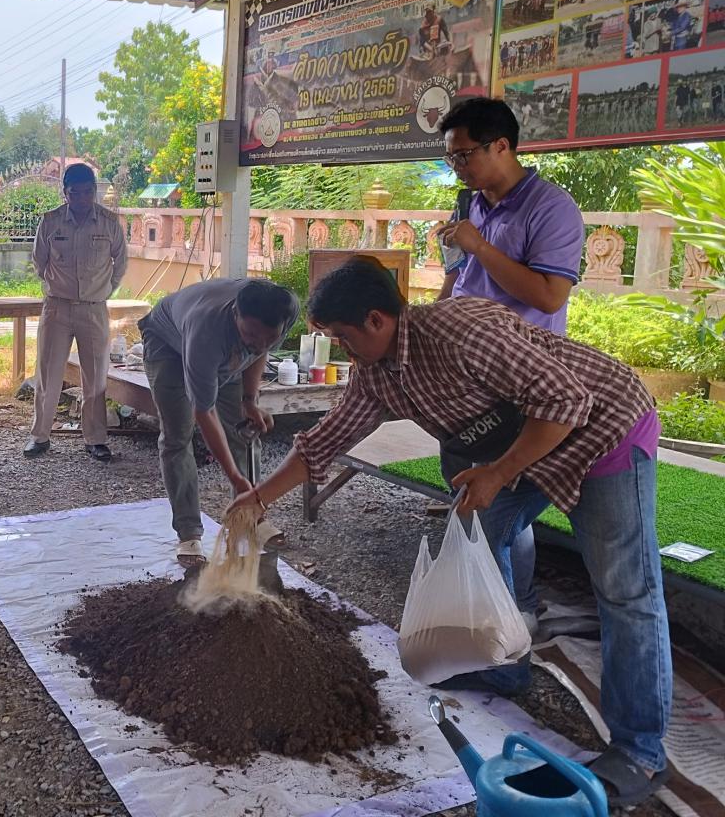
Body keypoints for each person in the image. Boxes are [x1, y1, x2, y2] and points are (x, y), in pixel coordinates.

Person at [230, 259, 672, 807]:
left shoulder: (465, 334)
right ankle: (505, 670)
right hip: (520, 449)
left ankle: (640, 753)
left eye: (343, 338)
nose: (343, 352)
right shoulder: (378, 373)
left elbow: (567, 402)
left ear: (376, 320)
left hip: (601, 431)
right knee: (481, 540)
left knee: (625, 590)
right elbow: (325, 440)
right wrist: (256, 500)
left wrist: (497, 473)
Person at [436, 97, 585, 630]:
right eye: (452, 158)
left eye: (465, 155)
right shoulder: (470, 204)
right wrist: (437, 316)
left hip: (525, 381)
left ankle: (509, 619)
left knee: (500, 500)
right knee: (475, 484)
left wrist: (479, 246)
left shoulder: (552, 208)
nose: (459, 167)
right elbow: (461, 276)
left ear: (502, 146)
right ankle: (505, 603)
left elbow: (548, 297)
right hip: (468, 374)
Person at [138, 278, 298, 564]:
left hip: (224, 346)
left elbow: (259, 350)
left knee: (242, 428)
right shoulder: (206, 333)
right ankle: (189, 533)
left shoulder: (282, 310)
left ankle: (250, 517)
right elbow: (204, 411)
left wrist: (249, 400)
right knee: (178, 435)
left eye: (269, 337)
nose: (259, 343)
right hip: (167, 345)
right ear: (235, 312)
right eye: (250, 334)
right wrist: (235, 477)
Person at [24, 163, 128, 461]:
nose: (82, 198)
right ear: (65, 193)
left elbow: (119, 263)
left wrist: (104, 290)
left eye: (87, 192)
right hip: (57, 307)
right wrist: (57, 287)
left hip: (94, 309)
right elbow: (40, 262)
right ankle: (40, 436)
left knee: (95, 377)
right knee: (48, 373)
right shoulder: (51, 222)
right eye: (75, 193)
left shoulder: (108, 223)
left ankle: (95, 439)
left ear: (95, 192)